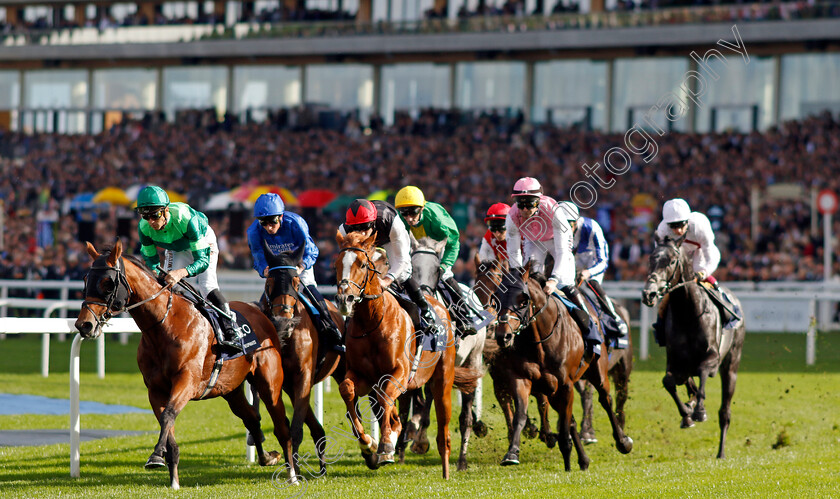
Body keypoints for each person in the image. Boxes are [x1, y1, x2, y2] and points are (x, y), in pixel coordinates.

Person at [505, 177, 601, 363]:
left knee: (565, 281)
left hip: (558, 243)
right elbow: (513, 251)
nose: (524, 210)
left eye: (529, 204)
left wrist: (554, 279)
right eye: (520, 204)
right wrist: (517, 276)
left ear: (539, 200)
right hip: (534, 241)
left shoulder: (553, 210)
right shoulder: (512, 215)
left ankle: (591, 332)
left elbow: (563, 251)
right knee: (530, 279)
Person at [135, 185, 241, 350]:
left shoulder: (186, 218)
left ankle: (231, 331)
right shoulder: (144, 227)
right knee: (169, 286)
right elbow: (151, 259)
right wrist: (155, 271)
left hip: (203, 242)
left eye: (154, 215)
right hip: (177, 247)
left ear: (166, 210)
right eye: (145, 215)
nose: (151, 221)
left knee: (207, 286)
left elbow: (202, 261)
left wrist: (181, 272)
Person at [247, 193, 344, 353]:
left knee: (311, 292)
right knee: (266, 301)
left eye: (273, 221)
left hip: (298, 264)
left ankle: (332, 330)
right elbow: (258, 257)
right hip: (276, 269)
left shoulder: (296, 223)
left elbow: (311, 251)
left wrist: (301, 266)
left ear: (281, 216)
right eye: (263, 222)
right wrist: (264, 270)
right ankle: (255, 343)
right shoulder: (254, 232)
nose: (268, 227)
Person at [338, 198, 440, 335]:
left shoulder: (389, 220)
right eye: (356, 228)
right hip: (363, 247)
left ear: (373, 221)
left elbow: (402, 260)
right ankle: (349, 321)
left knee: (403, 273)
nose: (361, 233)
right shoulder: (344, 230)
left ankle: (426, 312)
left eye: (365, 226)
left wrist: (387, 280)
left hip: (388, 239)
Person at [394, 185, 481, 336]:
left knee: (445, 276)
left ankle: (465, 317)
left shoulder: (436, 220)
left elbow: (453, 243)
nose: (408, 218)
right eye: (404, 213)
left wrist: (445, 265)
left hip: (437, 247)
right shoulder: (401, 220)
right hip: (415, 249)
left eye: (412, 212)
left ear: (421, 208)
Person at [652, 198, 740, 345]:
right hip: (679, 255)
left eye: (680, 225)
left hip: (701, 253)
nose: (678, 230)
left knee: (699, 271)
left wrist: (703, 273)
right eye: (673, 226)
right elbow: (662, 258)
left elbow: (710, 255)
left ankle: (727, 308)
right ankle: (661, 328)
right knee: (668, 293)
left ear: (687, 220)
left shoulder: (699, 226)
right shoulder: (662, 232)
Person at [559, 201, 629, 339]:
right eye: (562, 224)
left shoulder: (591, 227)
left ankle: (614, 318)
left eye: (569, 224)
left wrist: (588, 272)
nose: (565, 229)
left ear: (576, 221)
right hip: (572, 261)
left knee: (592, 284)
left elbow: (603, 261)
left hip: (593, 262)